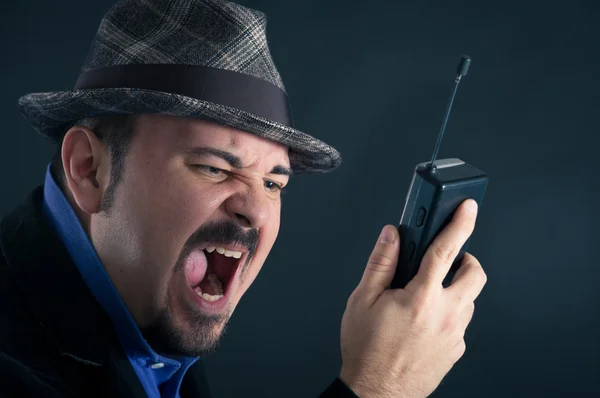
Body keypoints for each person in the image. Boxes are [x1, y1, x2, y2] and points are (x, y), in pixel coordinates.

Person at [0, 0, 487, 397]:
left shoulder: (147, 316)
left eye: (274, 183)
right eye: (213, 168)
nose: (255, 210)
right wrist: (380, 388)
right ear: (89, 170)